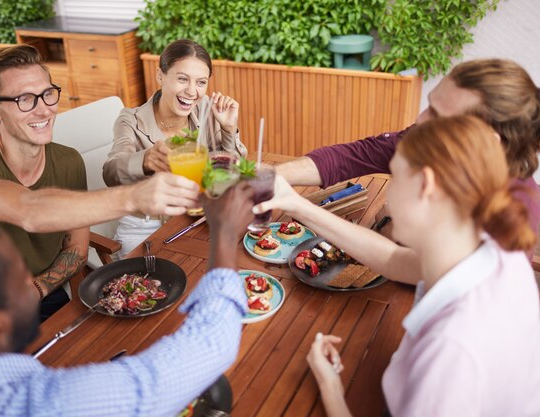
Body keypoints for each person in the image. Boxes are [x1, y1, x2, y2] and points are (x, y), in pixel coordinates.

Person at [255, 116, 540, 416]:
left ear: (427, 185)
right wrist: (295, 203)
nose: (386, 198)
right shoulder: (489, 248)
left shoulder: (452, 350)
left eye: (395, 179)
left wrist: (331, 388)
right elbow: (393, 259)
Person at [0, 180, 254, 417]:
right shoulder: (50, 404)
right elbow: (210, 345)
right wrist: (224, 234)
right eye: (21, 276)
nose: (32, 282)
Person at [0, 45, 200, 321]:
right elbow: (29, 211)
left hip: (46, 296)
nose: (43, 111)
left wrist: (40, 287)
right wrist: (134, 197)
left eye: (47, 95)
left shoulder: (68, 161)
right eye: (25, 99)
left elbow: (76, 249)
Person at [276, 59, 540, 232]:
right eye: (429, 104)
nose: (420, 119)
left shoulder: (510, 217)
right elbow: (350, 157)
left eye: (437, 115)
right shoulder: (430, 142)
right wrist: (270, 176)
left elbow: (410, 265)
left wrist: (390, 222)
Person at [102, 38, 247, 255]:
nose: (192, 91)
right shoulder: (130, 120)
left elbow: (232, 175)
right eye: (182, 79)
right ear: (160, 75)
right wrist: (145, 159)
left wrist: (228, 129)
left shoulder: (208, 109)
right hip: (144, 226)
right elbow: (111, 172)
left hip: (195, 219)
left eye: (201, 82)